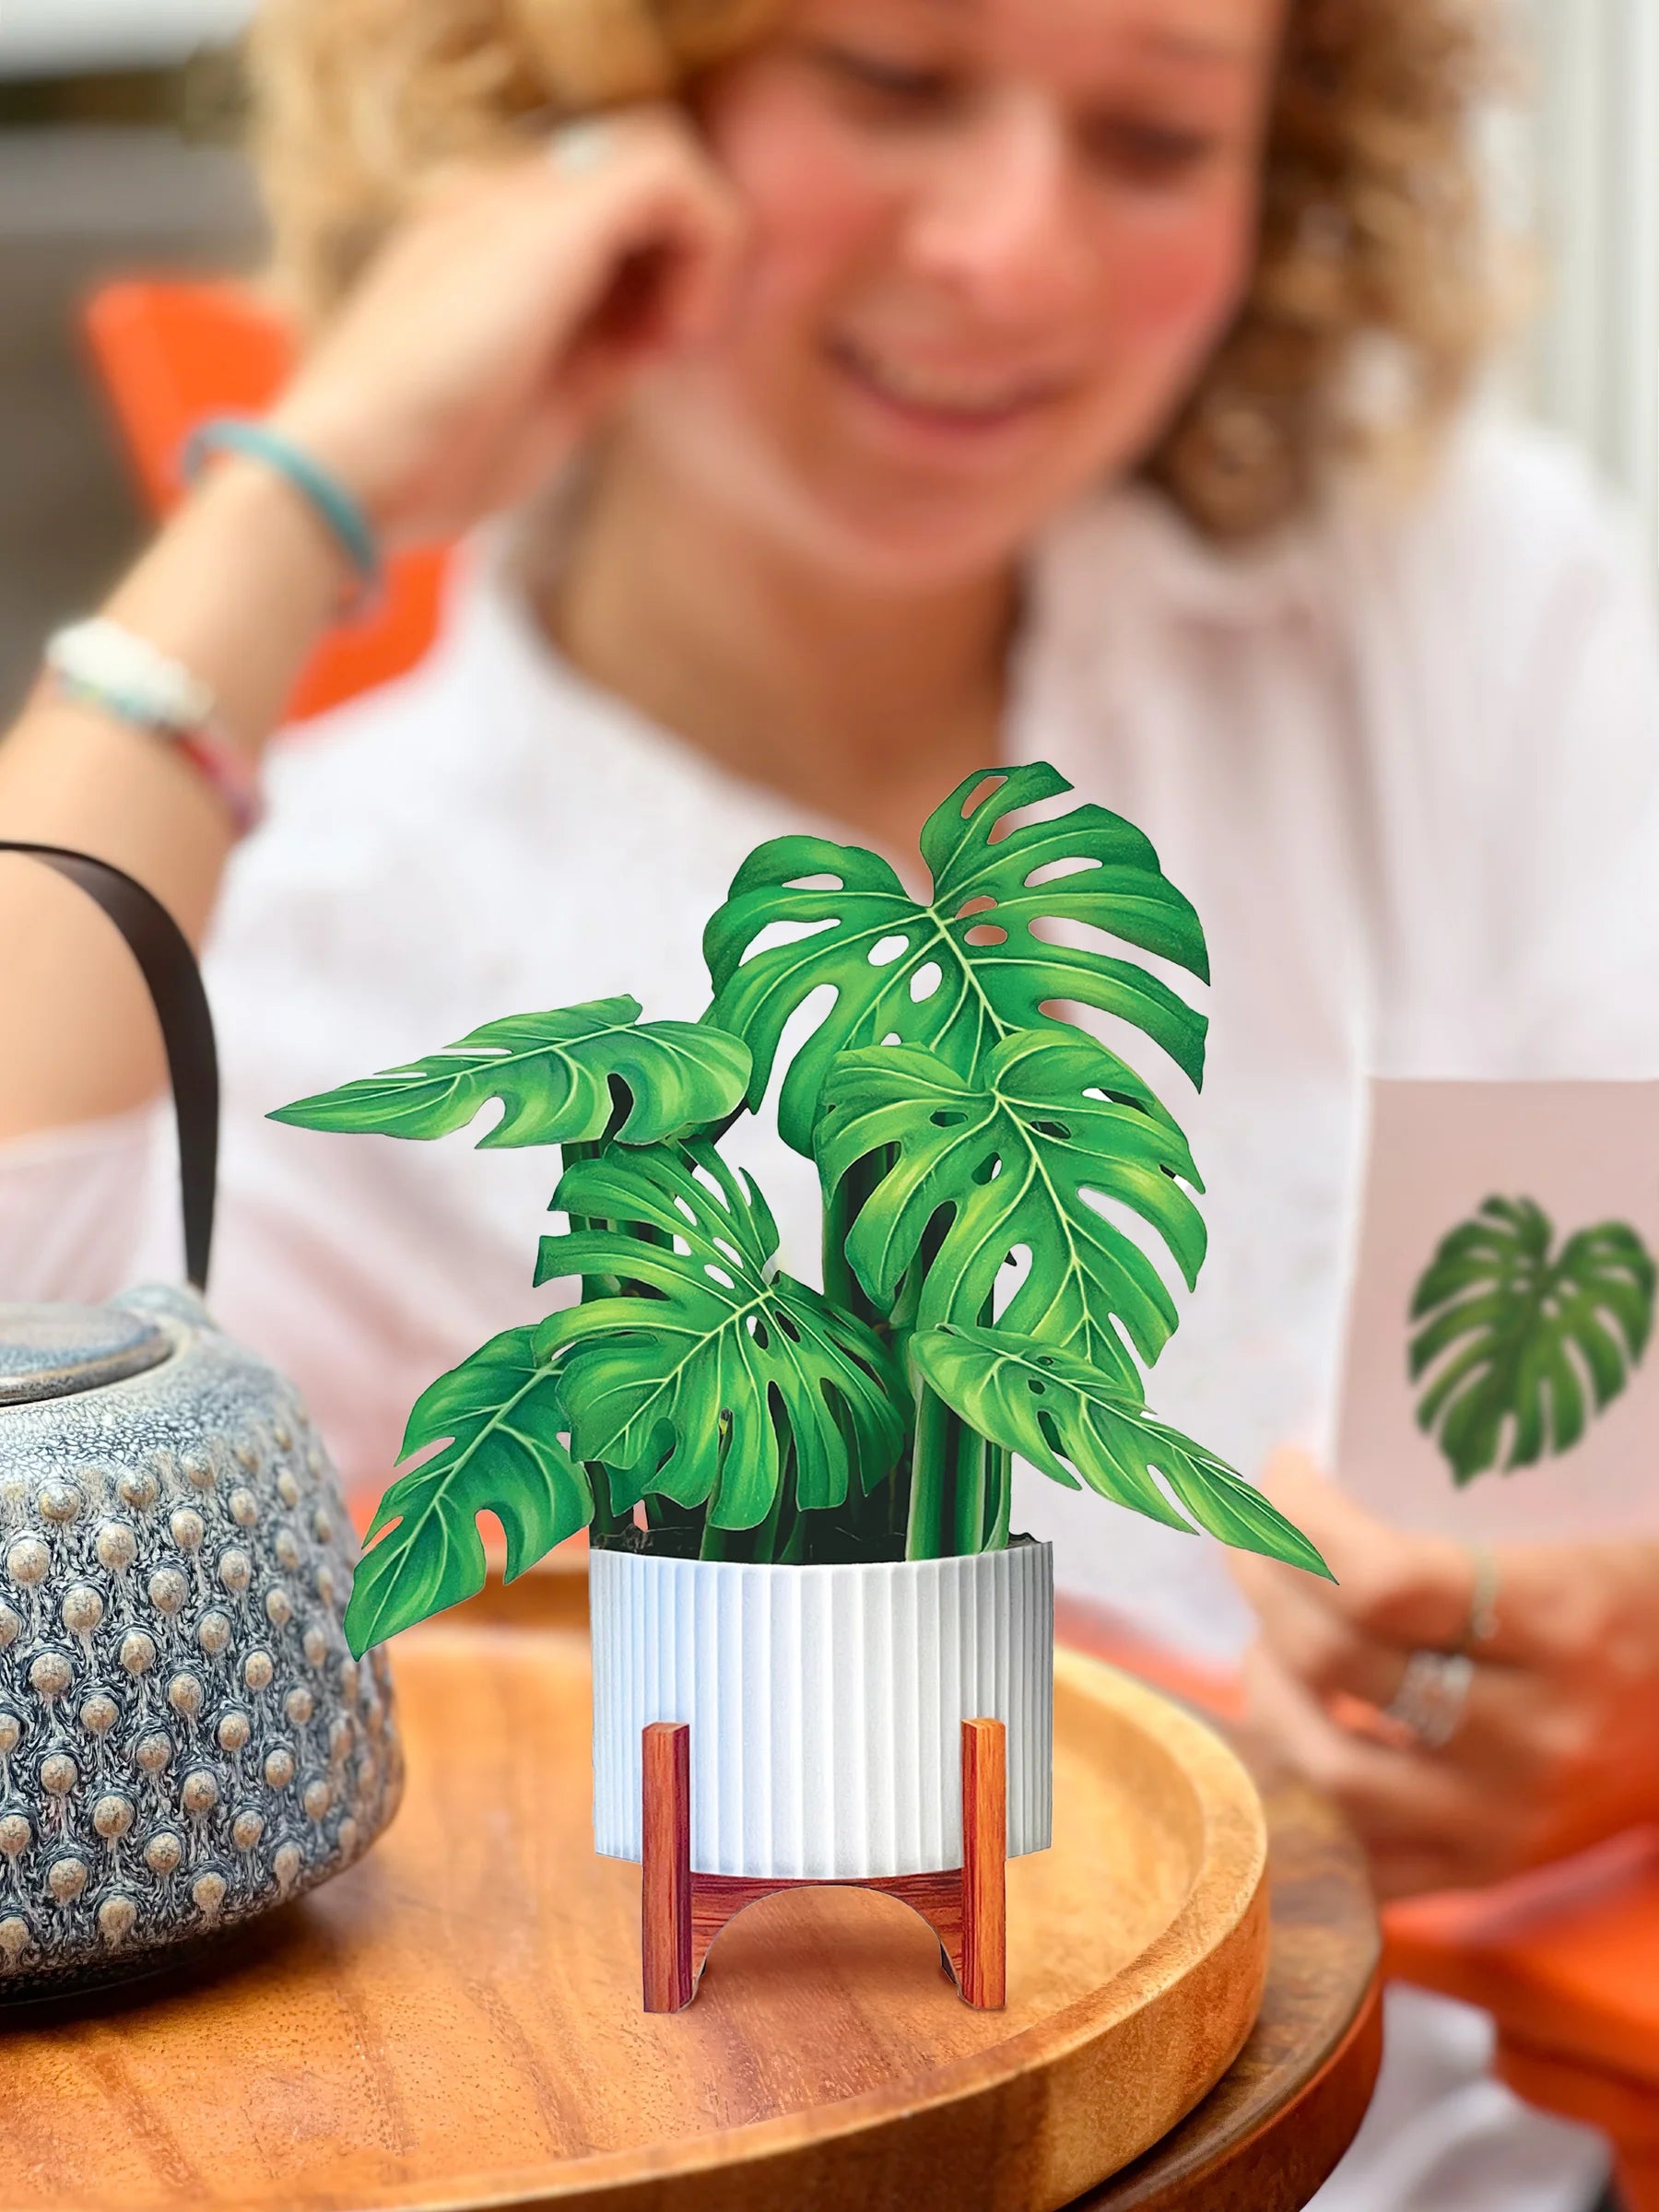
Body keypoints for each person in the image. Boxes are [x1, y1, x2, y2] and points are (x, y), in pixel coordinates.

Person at [2, 0, 1656, 2200]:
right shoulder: (329, 955)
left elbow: (1595, 1345)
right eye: (886, 81)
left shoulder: (1436, 609)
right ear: (590, 110)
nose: (1008, 254)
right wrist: (319, 482)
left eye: (1157, 137)